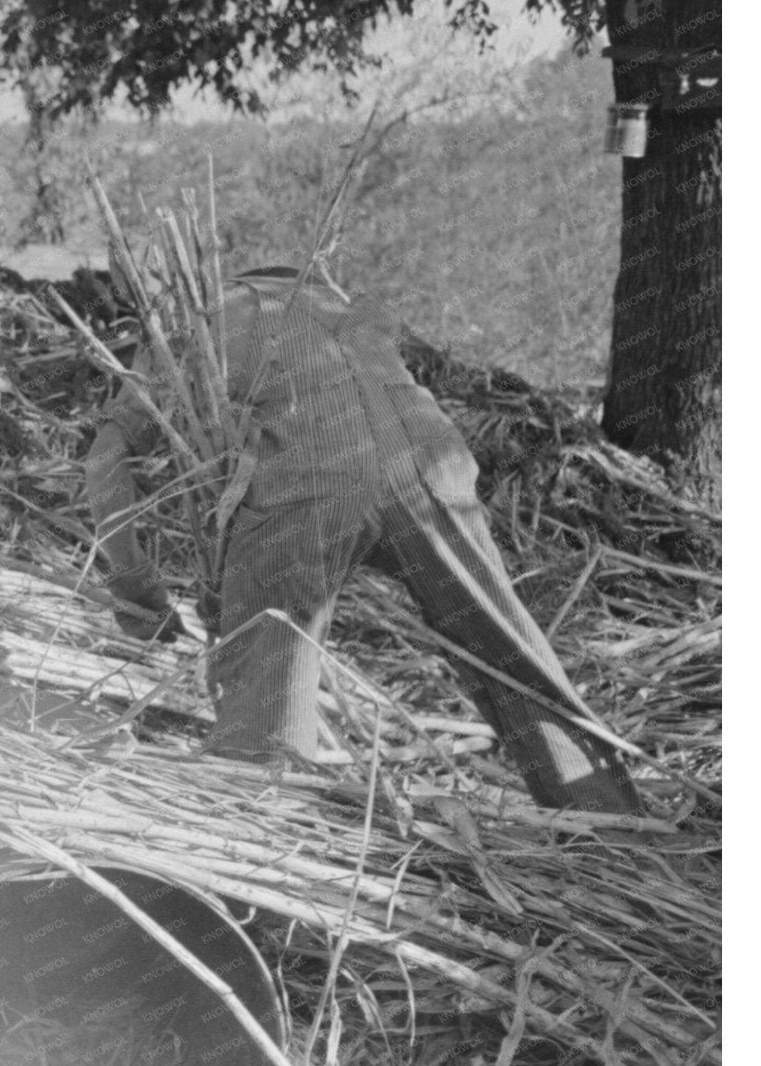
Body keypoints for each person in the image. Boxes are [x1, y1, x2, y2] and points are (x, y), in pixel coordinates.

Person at [84, 266, 643, 817]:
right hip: (432, 461)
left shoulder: (188, 317)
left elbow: (108, 458)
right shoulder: (329, 297)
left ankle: (263, 818)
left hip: (315, 478)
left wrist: (135, 587)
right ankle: (610, 822)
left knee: (268, 665)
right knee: (504, 646)